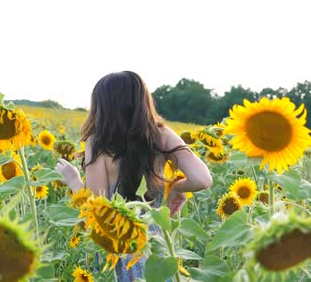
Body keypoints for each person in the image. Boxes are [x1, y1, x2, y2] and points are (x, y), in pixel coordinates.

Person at [55, 70, 212, 281]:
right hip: (156, 249)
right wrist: (176, 188)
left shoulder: (98, 143)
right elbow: (203, 179)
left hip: (120, 246)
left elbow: (97, 208)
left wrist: (74, 181)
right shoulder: (161, 135)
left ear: (102, 107)